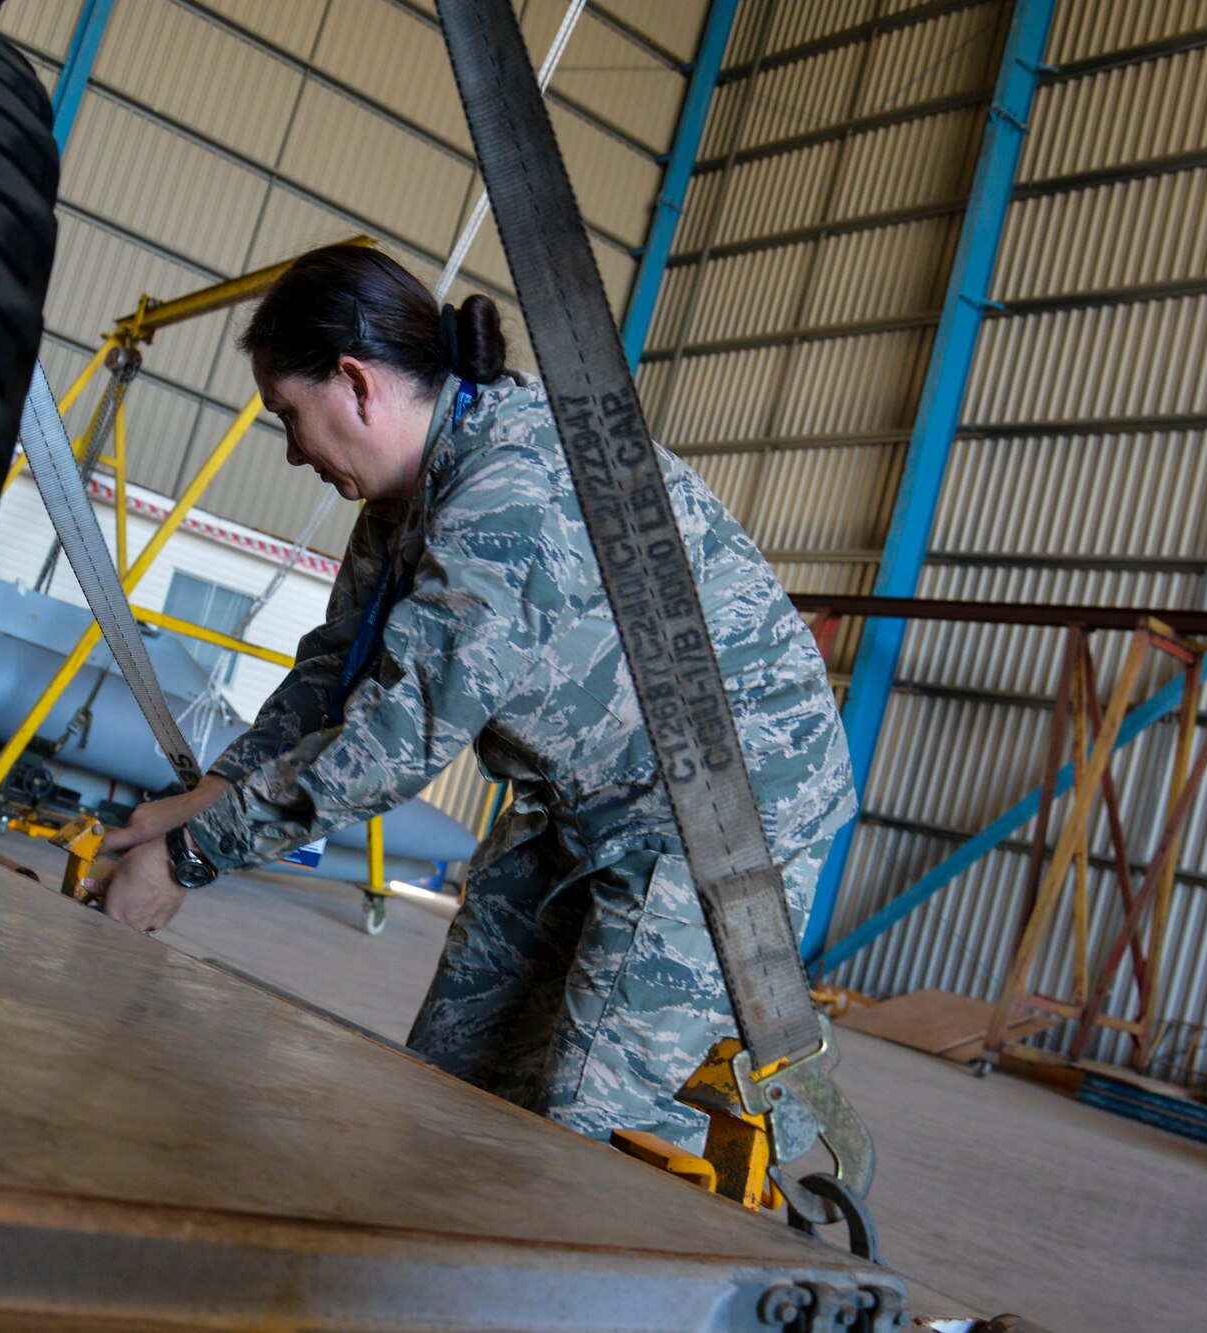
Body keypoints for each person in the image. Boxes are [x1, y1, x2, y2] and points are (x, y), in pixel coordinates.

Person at [91, 243, 854, 1151]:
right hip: (588, 797)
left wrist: (187, 860)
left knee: (588, 1128)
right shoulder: (403, 502)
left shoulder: (512, 491)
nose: (293, 452)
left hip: (724, 813)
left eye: (290, 417)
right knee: (451, 1075)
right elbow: (334, 678)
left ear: (355, 383)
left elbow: (394, 740)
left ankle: (783, 1118)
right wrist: (198, 801)